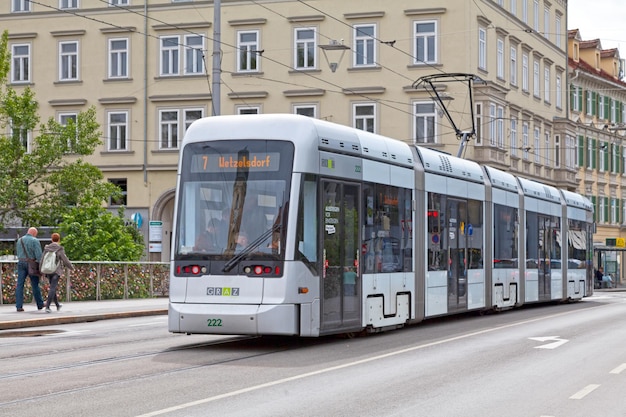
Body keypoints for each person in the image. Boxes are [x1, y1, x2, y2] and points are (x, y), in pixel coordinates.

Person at [40, 233, 74, 313]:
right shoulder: (59, 249)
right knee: (53, 288)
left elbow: (42, 260)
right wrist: (71, 267)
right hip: (56, 271)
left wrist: (41, 270)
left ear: (51, 239)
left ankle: (57, 305)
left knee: (52, 287)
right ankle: (47, 306)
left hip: (48, 270)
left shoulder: (46, 248)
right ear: (59, 240)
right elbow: (65, 260)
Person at [15, 227, 44, 312]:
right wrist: (40, 267)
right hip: (31, 264)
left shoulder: (19, 240)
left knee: (20, 285)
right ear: (34, 233)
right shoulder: (35, 241)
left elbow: (18, 252)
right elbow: (39, 256)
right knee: (35, 284)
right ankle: (40, 304)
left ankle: (19, 306)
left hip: (21, 262)